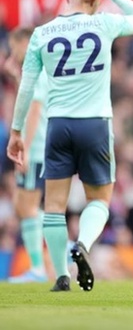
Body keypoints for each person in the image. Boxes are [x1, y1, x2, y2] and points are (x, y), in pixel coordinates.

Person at [6, 0, 133, 292]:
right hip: (95, 122)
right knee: (99, 199)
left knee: (54, 205)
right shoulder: (103, 24)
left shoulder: (42, 33)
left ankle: (60, 276)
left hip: (57, 125)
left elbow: (27, 87)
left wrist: (16, 131)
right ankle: (82, 243)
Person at [4, 27, 49, 283]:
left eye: (15, 46)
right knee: (24, 206)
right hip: (38, 148)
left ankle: (38, 268)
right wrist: (14, 75)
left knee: (29, 206)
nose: (13, 52)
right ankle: (58, 245)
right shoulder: (37, 70)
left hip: (36, 148)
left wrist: (26, 148)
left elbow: (34, 110)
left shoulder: (38, 68)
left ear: (25, 44)